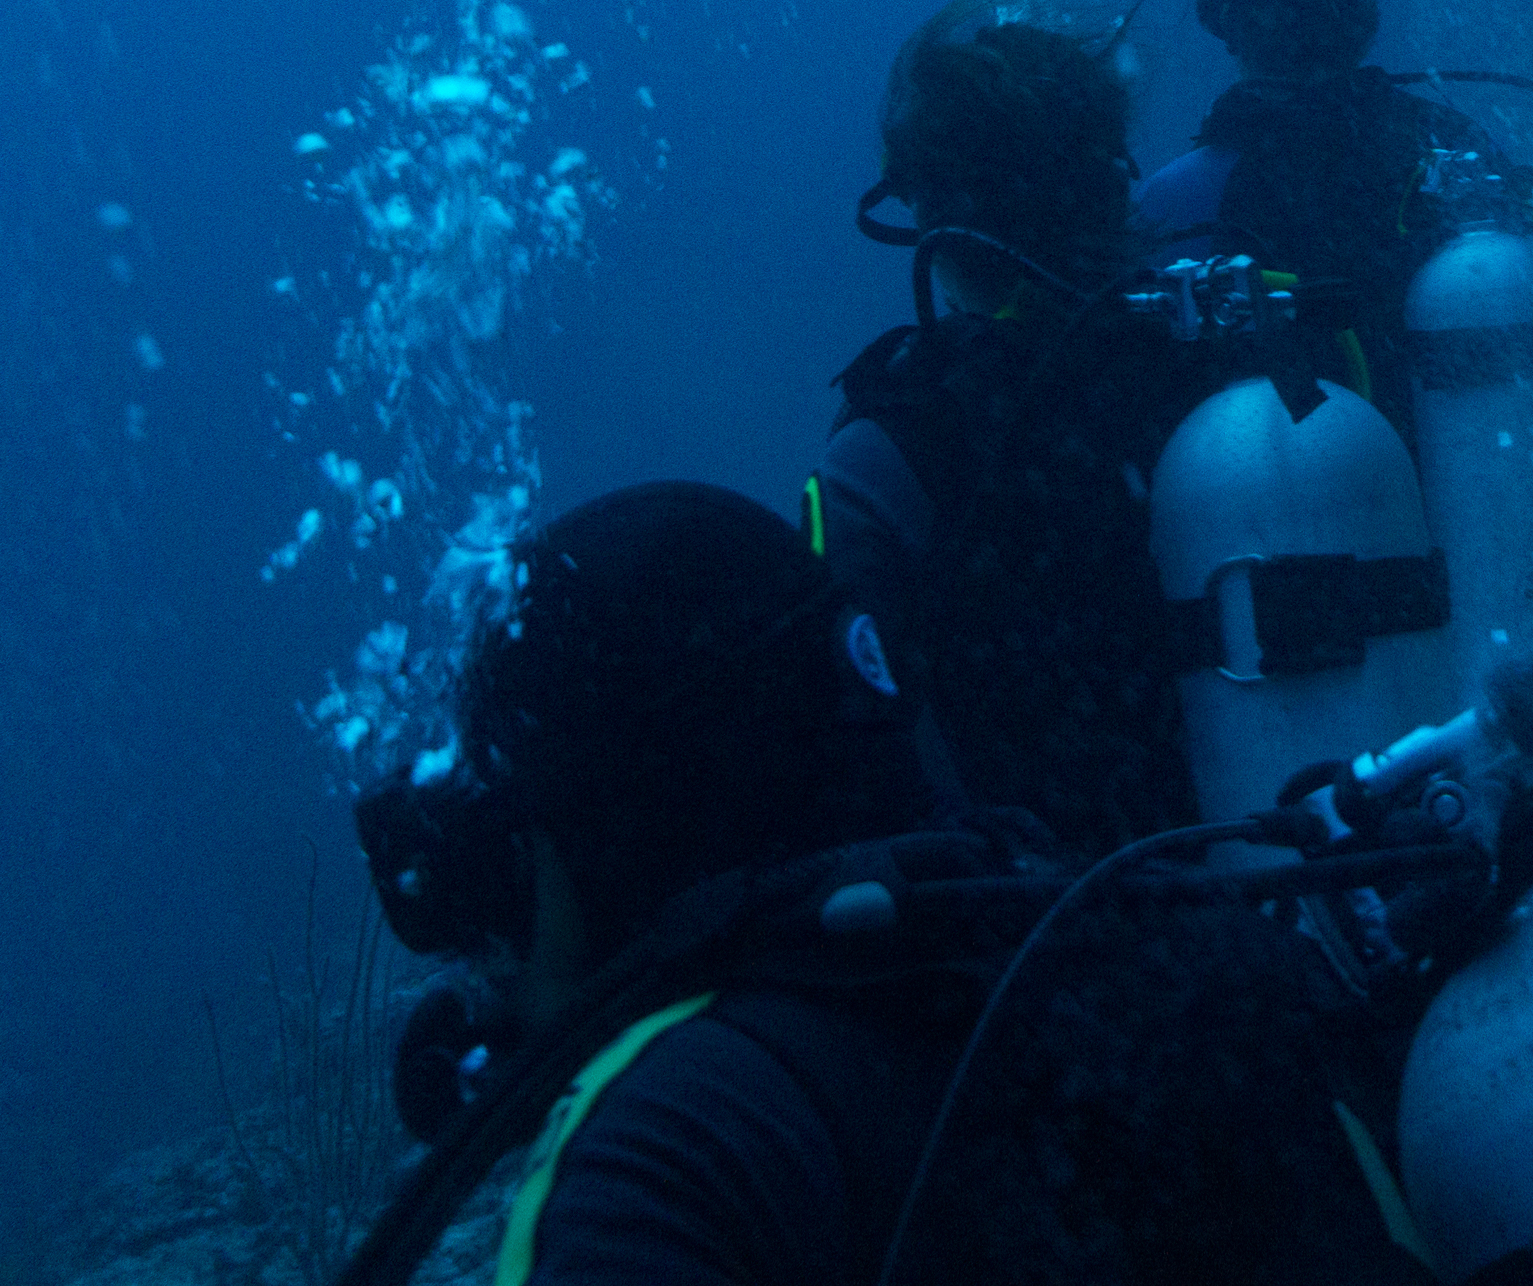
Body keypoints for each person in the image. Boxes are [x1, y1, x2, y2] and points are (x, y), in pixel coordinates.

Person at [345, 479, 1421, 1286]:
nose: (491, 945)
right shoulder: (1156, 949)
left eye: (515, 846)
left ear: (599, 841)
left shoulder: (666, 1146)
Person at [805, 0, 1226, 856]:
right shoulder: (1231, 354)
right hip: (1322, 874)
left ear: (929, 212)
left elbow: (853, 755)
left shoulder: (888, 453)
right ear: (1114, 176)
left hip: (1058, 939)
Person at [1134, 0, 1522, 418]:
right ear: (1361, 21)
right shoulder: (1458, 151)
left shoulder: (1172, 201)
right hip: (1470, 485)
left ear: (1226, 22)